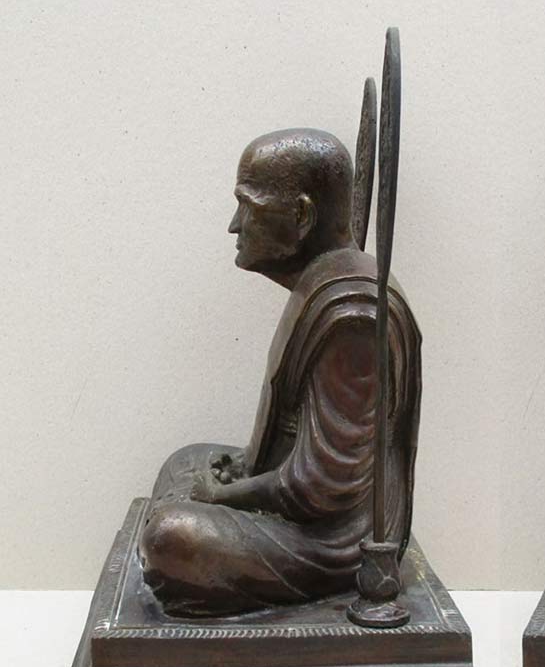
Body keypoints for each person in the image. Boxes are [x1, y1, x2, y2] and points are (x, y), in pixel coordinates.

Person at [139, 129, 421, 617]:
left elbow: (322, 490)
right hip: (297, 503)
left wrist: (225, 496)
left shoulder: (353, 316)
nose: (234, 226)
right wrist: (245, 468)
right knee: (185, 460)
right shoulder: (320, 284)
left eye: (248, 207)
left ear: (301, 216)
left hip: (331, 542)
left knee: (170, 536)